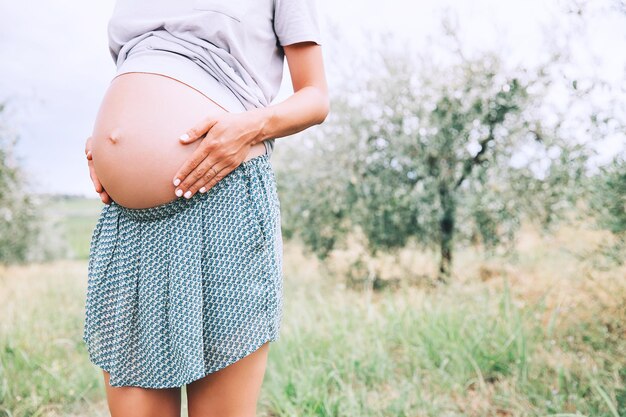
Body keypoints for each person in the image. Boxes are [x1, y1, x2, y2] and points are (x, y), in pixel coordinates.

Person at [82, 0, 329, 415]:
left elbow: (315, 97)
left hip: (224, 205)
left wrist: (251, 125)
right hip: (129, 224)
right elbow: (143, 72)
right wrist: (105, 141)